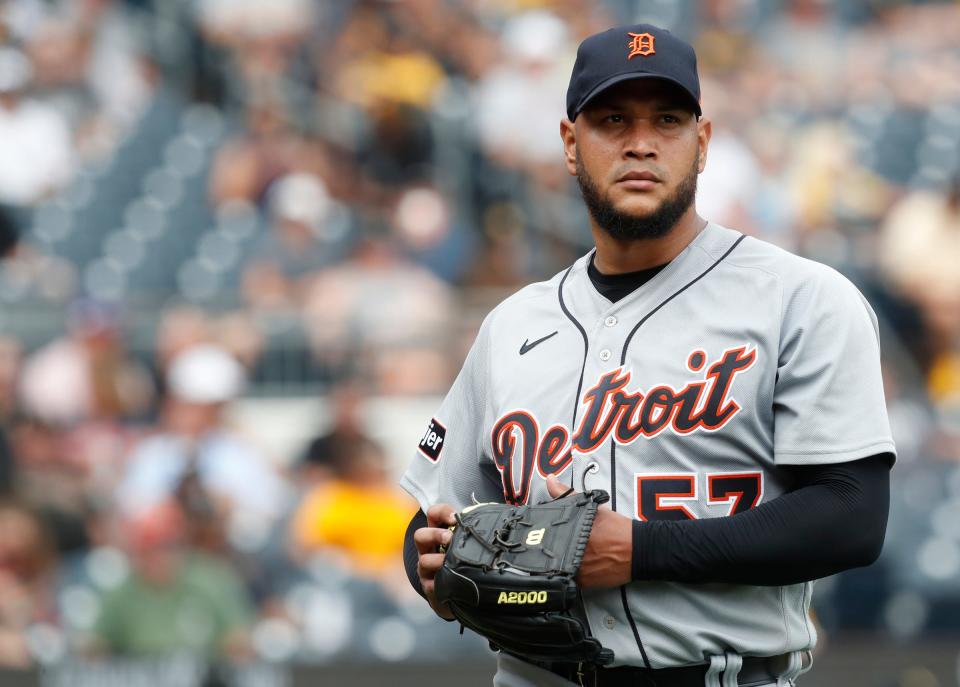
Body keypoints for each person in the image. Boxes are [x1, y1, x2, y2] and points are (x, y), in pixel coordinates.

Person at [401, 24, 895, 687]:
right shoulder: (511, 325)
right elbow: (432, 515)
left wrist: (640, 550)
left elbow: (852, 515)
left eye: (667, 119)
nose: (641, 143)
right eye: (612, 120)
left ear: (704, 142)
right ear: (571, 145)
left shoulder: (801, 299)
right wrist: (430, 563)